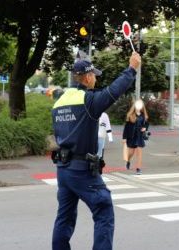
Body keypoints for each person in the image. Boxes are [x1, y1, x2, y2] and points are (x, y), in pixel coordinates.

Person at [51, 52, 141, 250]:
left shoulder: (59, 103)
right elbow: (112, 92)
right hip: (82, 170)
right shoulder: (87, 101)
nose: (96, 79)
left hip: (63, 170)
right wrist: (131, 69)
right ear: (88, 77)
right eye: (95, 75)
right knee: (104, 210)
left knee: (64, 218)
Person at [122, 99, 149, 175]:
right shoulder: (130, 115)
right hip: (131, 136)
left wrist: (145, 128)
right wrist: (124, 138)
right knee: (131, 152)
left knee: (139, 153)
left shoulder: (144, 115)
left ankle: (138, 168)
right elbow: (126, 127)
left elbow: (146, 124)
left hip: (139, 135)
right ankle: (128, 161)